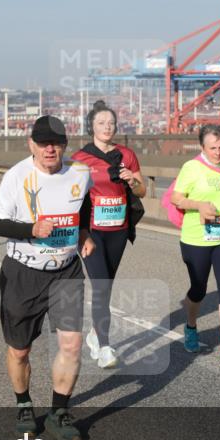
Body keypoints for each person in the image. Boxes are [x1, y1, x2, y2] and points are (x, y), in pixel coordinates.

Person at [0, 115, 95, 440]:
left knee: (71, 344)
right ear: (31, 144)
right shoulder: (17, 176)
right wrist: (30, 230)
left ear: (65, 144)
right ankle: (23, 404)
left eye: (58, 143)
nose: (51, 149)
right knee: (20, 350)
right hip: (24, 272)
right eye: (44, 143)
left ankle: (58, 412)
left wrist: (84, 234)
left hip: (66, 271)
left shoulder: (80, 172)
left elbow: (84, 205)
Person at [71, 100, 146, 369]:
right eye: (101, 123)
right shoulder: (80, 158)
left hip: (119, 230)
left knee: (107, 286)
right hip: (92, 232)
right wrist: (79, 232)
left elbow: (141, 191)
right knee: (101, 286)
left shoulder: (127, 155)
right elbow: (72, 197)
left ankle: (94, 334)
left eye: (111, 123)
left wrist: (131, 180)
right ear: (91, 126)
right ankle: (104, 346)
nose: (107, 127)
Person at [170, 124, 220, 362]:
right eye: (212, 148)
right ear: (202, 147)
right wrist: (199, 205)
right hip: (197, 238)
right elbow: (176, 198)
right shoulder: (191, 167)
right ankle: (191, 326)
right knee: (199, 290)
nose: (218, 152)